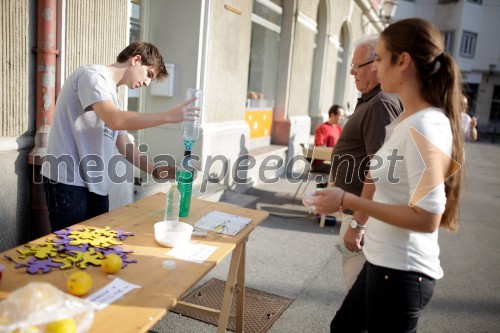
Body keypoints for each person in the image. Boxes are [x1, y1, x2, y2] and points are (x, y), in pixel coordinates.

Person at [312, 18, 464, 332]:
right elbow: (377, 174)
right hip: (381, 263)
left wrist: (349, 202)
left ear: (403, 61)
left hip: (402, 272)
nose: (375, 69)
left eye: (380, 58)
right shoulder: (407, 118)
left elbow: (428, 217)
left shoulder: (426, 124)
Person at [41, 41, 198, 232]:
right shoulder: (92, 75)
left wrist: (155, 170)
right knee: (70, 254)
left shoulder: (112, 94)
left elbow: (124, 145)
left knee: (95, 251)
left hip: (97, 186)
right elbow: (115, 120)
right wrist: (169, 116)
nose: (147, 83)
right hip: (68, 182)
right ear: (136, 59)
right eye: (149, 74)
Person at [329, 35, 403, 291]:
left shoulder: (380, 103)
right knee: (359, 292)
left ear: (375, 64)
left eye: (356, 65)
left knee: (357, 293)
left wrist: (358, 225)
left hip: (364, 221)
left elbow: (382, 171)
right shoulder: (374, 100)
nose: (351, 71)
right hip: (360, 216)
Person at [311, 104, 345, 174]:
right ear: (332, 115)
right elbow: (322, 149)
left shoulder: (339, 129)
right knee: (342, 170)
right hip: (321, 163)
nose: (342, 118)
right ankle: (325, 185)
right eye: (340, 116)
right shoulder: (322, 128)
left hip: (334, 161)